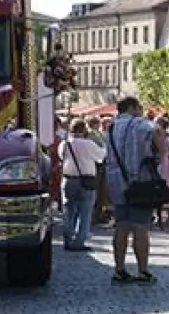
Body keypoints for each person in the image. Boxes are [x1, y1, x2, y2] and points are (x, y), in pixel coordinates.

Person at [104, 97, 161, 285]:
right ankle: (143, 270)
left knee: (121, 226)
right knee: (140, 227)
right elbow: (158, 132)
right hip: (139, 182)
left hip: (116, 182)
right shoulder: (139, 123)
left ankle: (119, 269)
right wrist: (159, 155)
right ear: (133, 108)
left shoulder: (111, 127)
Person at [60, 119, 105, 252]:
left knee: (68, 211)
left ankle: (68, 239)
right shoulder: (88, 144)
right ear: (83, 130)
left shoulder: (64, 144)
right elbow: (101, 156)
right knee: (85, 212)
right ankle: (79, 241)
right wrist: (101, 143)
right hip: (86, 180)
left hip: (68, 179)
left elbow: (61, 157)